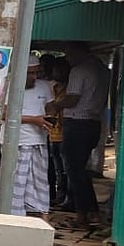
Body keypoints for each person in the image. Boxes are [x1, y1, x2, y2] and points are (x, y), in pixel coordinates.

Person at [47, 43, 111, 229]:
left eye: (69, 54)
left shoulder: (79, 70)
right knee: (80, 170)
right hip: (94, 123)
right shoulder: (103, 70)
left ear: (78, 52)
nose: (67, 59)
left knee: (74, 171)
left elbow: (73, 99)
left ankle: (83, 214)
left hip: (77, 123)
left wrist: (55, 105)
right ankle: (92, 212)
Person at [0, 56, 53, 219]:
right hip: (15, 142)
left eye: (36, 73)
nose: (34, 77)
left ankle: (42, 216)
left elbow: (50, 105)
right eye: (30, 73)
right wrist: (33, 120)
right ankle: (11, 216)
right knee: (14, 180)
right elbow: (3, 114)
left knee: (40, 181)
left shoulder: (44, 86)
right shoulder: (8, 85)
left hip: (38, 140)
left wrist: (50, 115)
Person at [41, 54, 70, 206]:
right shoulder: (51, 88)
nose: (56, 72)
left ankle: (65, 197)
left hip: (65, 134)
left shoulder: (70, 89)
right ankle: (57, 196)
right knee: (56, 168)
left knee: (66, 169)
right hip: (52, 134)